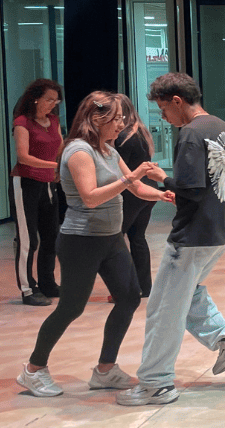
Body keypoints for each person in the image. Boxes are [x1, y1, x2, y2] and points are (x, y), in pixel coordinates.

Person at [15, 91, 174, 398]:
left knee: (129, 297)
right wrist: (131, 180)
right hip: (81, 241)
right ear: (96, 119)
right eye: (116, 118)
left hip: (111, 239)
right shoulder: (78, 151)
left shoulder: (108, 150)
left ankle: (105, 370)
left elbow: (137, 185)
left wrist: (163, 194)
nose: (122, 123)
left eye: (122, 117)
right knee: (70, 308)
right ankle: (33, 370)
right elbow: (90, 197)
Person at [116, 72, 225, 406]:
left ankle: (156, 383)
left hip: (192, 235)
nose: (164, 117)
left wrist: (161, 177)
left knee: (164, 308)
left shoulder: (191, 133)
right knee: (186, 294)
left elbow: (190, 191)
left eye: (164, 109)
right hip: (220, 231)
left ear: (177, 100)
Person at [11, 78, 64, 306]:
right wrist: (56, 166)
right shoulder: (22, 122)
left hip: (49, 184)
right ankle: (27, 288)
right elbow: (23, 157)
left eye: (56, 100)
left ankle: (47, 283)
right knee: (28, 240)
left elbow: (60, 149)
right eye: (49, 99)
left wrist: (65, 162)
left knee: (51, 236)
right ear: (35, 99)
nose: (53, 104)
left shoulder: (53, 121)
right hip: (26, 183)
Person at [113, 94, 160, 297]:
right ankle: (144, 287)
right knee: (137, 237)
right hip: (147, 191)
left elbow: (116, 169)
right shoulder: (141, 132)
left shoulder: (122, 137)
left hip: (132, 191)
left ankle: (124, 288)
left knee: (116, 239)